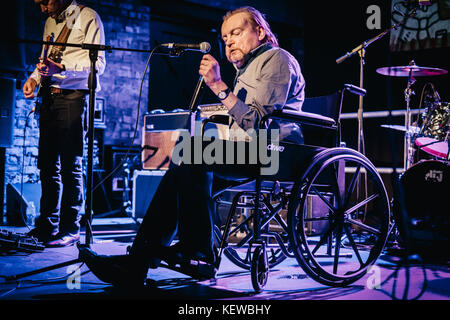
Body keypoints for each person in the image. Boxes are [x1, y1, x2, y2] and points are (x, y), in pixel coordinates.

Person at [79, 6, 305, 286]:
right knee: (186, 153)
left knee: (192, 151)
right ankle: (141, 258)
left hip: (276, 153)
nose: (229, 41)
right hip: (253, 150)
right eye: (224, 38)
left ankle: (196, 254)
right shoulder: (247, 68)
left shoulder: (277, 59)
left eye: (236, 32)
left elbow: (257, 124)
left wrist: (219, 86)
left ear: (260, 31)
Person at [22, 0, 106, 247]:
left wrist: (64, 68)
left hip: (73, 96)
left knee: (71, 165)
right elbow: (45, 60)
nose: (42, 8)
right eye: (36, 3)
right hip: (49, 97)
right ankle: (47, 226)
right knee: (47, 165)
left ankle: (71, 228)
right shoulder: (50, 21)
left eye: (45, 2)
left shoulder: (88, 16)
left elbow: (98, 64)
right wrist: (34, 78)